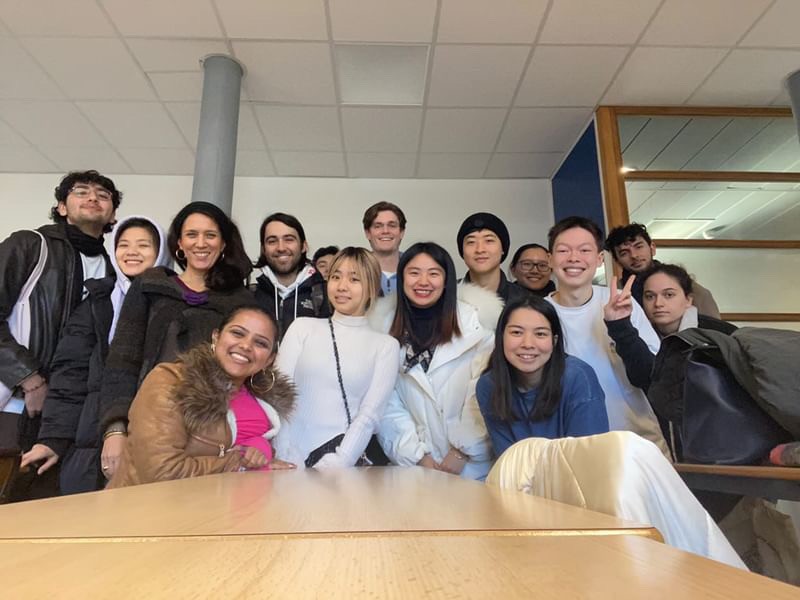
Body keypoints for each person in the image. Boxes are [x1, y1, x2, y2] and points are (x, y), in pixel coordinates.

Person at [98, 201, 253, 480]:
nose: (200, 243)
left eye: (210, 235)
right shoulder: (149, 286)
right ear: (179, 243)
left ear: (223, 244)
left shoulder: (240, 301)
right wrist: (115, 429)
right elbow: (122, 361)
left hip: (209, 432)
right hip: (146, 424)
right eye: (192, 235)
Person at [20, 216, 168, 494]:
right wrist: (53, 438)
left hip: (154, 438)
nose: (132, 252)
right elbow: (70, 375)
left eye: (143, 245)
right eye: (124, 245)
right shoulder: (97, 302)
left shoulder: (173, 304)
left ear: (161, 252)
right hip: (90, 436)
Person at [0, 170, 120, 500]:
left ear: (113, 215)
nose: (93, 198)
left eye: (103, 195)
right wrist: (29, 378)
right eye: (81, 192)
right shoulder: (29, 245)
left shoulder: (113, 271)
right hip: (11, 403)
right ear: (62, 207)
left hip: (62, 417)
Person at [108, 306, 295, 488]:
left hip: (220, 504)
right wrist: (238, 463)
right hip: (148, 506)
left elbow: (253, 453)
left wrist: (262, 454)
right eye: (237, 333)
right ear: (216, 337)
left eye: (260, 343)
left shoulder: (263, 401)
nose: (246, 345)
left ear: (270, 359)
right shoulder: (171, 381)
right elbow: (161, 472)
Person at [375, 242, 502, 480]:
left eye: (433, 273)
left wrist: (462, 451)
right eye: (414, 273)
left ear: (446, 280)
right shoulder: (384, 330)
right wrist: (417, 455)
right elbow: (387, 404)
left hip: (474, 468)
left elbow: (485, 393)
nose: (423, 282)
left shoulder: (477, 325)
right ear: (402, 279)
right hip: (416, 469)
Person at [545, 216, 669, 456]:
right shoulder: (537, 314)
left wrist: (620, 326)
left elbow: (651, 376)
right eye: (563, 250)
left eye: (584, 250)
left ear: (600, 259)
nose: (574, 258)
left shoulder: (621, 302)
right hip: (568, 447)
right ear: (550, 259)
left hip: (634, 441)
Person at [275, 247, 400, 469]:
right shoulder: (302, 328)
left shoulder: (385, 346)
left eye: (354, 279)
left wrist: (340, 461)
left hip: (338, 466)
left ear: (372, 288)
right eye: (335, 277)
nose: (342, 286)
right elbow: (279, 396)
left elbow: (369, 415)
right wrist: (282, 453)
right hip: (285, 461)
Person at [476, 296, 609, 458]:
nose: (527, 344)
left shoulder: (578, 378)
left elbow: (588, 457)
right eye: (516, 332)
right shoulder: (489, 385)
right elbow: (508, 460)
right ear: (501, 336)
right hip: (519, 474)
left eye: (540, 334)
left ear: (554, 341)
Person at [604, 223, 720, 318]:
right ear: (616, 260)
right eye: (624, 253)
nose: (634, 255)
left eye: (639, 247)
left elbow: (716, 331)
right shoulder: (615, 294)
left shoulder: (681, 283)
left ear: (652, 248)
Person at [253, 213, 330, 340]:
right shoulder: (250, 296)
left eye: (289, 239)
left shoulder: (326, 295)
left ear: (304, 246)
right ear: (263, 249)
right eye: (272, 241)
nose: (281, 248)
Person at [641, 263, 736, 338]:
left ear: (688, 300)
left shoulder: (720, 334)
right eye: (650, 296)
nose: (658, 303)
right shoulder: (638, 333)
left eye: (669, 295)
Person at [457, 212, 529, 306]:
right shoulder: (447, 295)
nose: (480, 249)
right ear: (462, 251)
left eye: (489, 240)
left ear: (503, 249)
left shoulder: (525, 301)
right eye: (471, 242)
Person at [362, 201, 406, 295]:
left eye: (392, 226)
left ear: (402, 232)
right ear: (368, 233)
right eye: (378, 226)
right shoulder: (356, 269)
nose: (385, 231)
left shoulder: (415, 268)